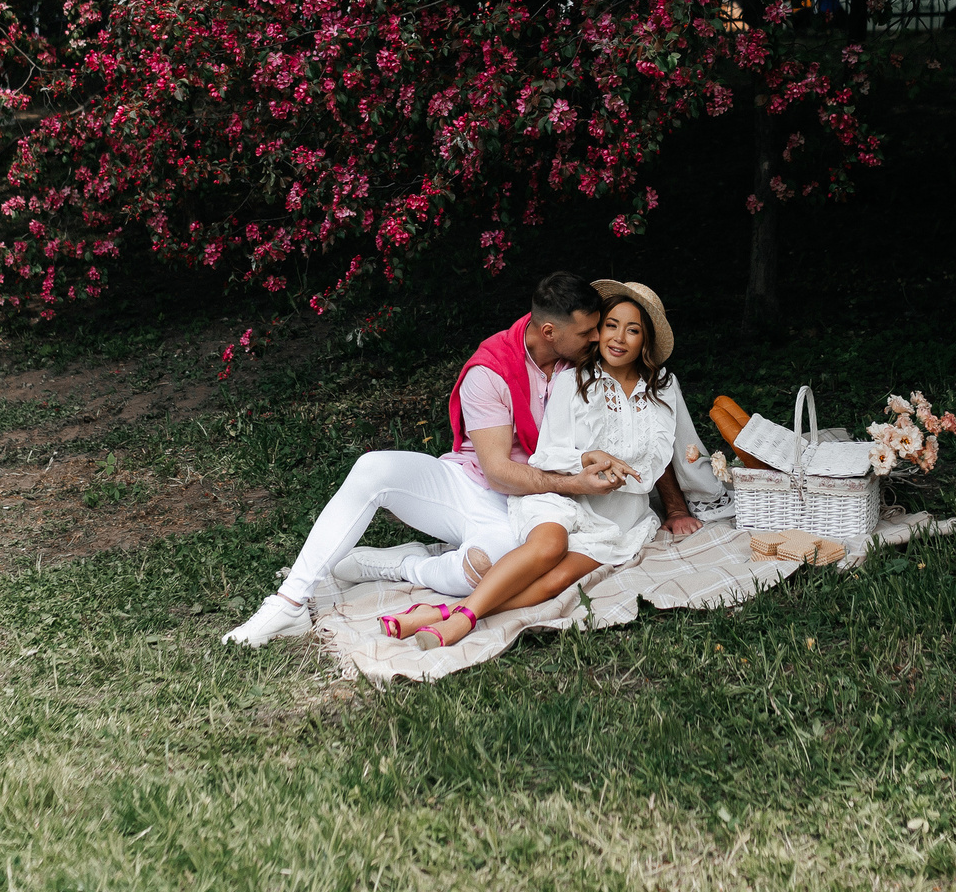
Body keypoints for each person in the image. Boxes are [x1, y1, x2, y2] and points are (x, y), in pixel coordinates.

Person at [225, 271, 699, 647]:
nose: (600, 339)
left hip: (539, 500)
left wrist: (673, 505)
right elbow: (498, 471)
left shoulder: (586, 365)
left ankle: (402, 566)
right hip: (487, 484)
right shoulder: (490, 371)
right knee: (373, 467)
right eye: (591, 331)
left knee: (482, 571)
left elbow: (646, 427)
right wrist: (578, 482)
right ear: (551, 331)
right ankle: (289, 601)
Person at [380, 280, 696, 651]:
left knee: (554, 583)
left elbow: (679, 450)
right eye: (610, 325)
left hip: (620, 515)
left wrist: (681, 506)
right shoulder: (575, 378)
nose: (617, 337)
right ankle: (464, 622)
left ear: (646, 340)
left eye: (633, 329)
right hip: (562, 494)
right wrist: (585, 461)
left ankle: (442, 613)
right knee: (548, 548)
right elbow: (546, 453)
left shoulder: (663, 387)